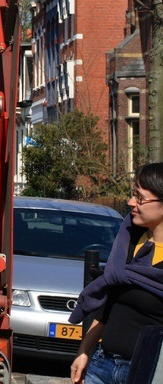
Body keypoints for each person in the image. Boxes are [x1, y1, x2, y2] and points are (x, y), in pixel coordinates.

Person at [69, 163, 163, 384]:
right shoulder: (129, 239)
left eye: (140, 198)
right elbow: (109, 306)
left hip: (147, 372)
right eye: (133, 195)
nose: (131, 202)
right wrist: (84, 350)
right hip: (103, 364)